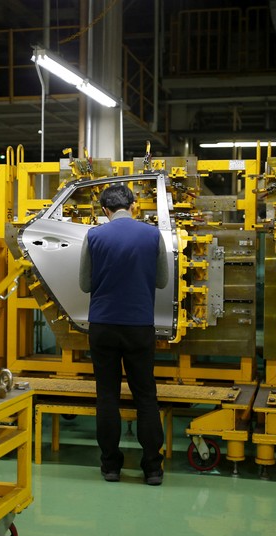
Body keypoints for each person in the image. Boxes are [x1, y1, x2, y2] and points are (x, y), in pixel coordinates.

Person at [79, 183, 169, 486]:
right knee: (146, 396)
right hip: (139, 326)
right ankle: (152, 467)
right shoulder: (152, 235)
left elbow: (84, 285)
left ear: (105, 211)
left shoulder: (94, 236)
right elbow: (162, 281)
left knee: (107, 396)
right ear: (133, 205)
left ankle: (110, 467)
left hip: (103, 326)